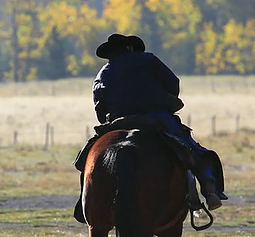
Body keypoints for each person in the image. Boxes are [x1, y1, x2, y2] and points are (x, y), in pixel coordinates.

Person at [73, 33, 227, 223]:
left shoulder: (103, 73)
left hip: (118, 122)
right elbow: (173, 83)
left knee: (85, 159)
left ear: (110, 53)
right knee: (193, 150)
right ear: (129, 48)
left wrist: (109, 122)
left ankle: (85, 202)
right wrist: (165, 103)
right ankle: (210, 192)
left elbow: (99, 105)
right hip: (156, 118)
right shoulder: (148, 60)